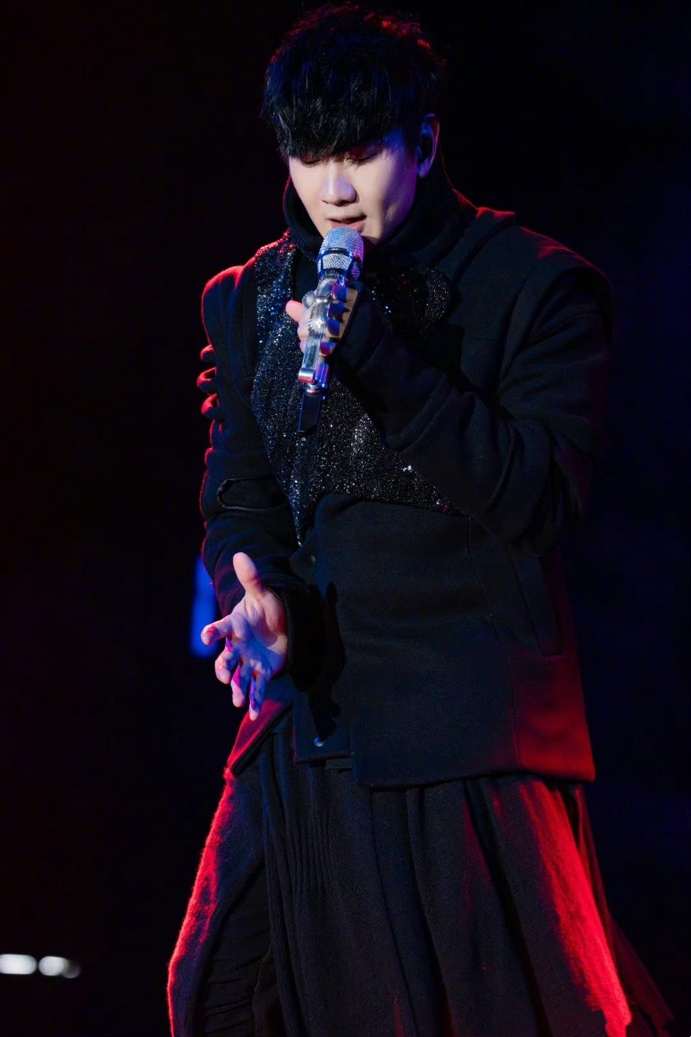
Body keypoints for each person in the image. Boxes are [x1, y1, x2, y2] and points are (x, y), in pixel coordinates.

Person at [167, 4, 676, 1035]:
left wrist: (377, 356)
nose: (334, 188)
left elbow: (534, 495)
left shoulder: (532, 286)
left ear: (426, 142)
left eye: (360, 153)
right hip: (313, 717)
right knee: (214, 994)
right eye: (311, 157)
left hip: (463, 726)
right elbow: (241, 494)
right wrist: (258, 598)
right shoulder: (249, 297)